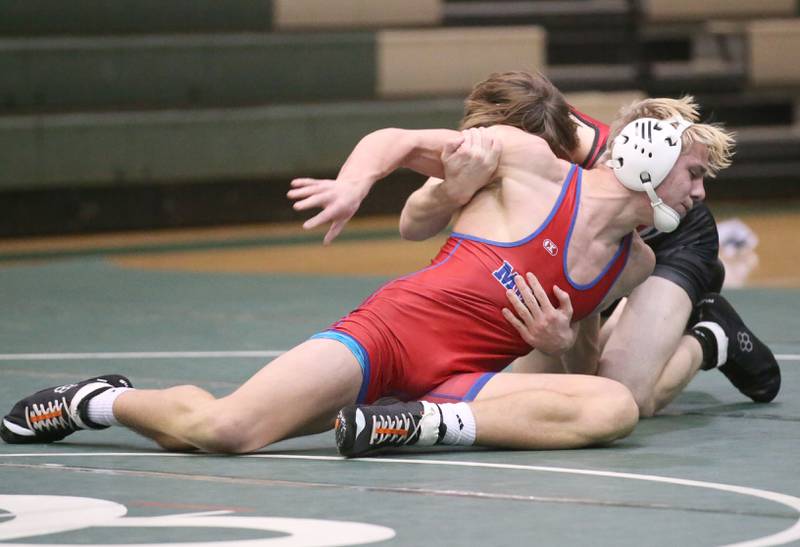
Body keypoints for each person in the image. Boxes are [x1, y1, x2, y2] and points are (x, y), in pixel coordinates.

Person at [1, 74, 729, 459]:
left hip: (464, 386)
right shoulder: (535, 164)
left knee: (614, 407)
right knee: (226, 430)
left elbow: (583, 370)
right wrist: (353, 183)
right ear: (649, 155)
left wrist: (559, 340)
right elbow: (394, 136)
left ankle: (416, 425)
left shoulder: (630, 261)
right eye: (694, 174)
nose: (699, 195)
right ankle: (94, 401)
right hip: (391, 337)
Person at [392, 71, 779, 420]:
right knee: (549, 381)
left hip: (674, 235)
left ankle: (711, 334)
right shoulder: (492, 147)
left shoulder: (575, 152)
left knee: (627, 395)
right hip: (608, 249)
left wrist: (573, 337)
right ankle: (640, 322)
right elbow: (412, 224)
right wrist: (450, 188)